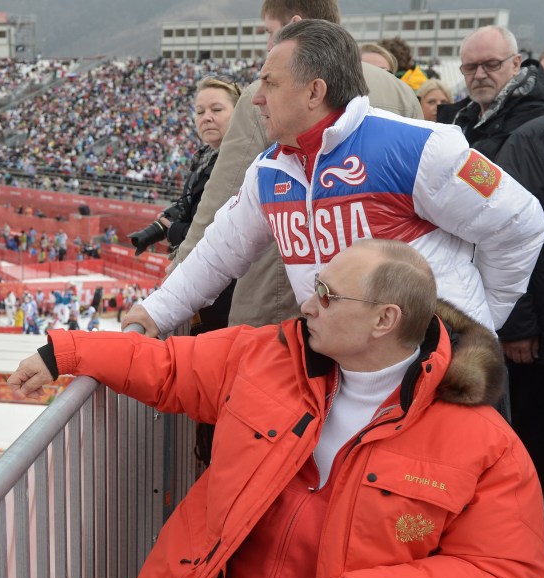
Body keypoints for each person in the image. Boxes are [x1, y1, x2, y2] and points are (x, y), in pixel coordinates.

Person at [8, 240, 544, 578]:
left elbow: (500, 575)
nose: (308, 304)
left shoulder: (484, 442)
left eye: (329, 296)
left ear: (385, 320)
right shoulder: (269, 354)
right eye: (317, 285)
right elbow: (170, 366)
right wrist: (67, 351)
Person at [124, 19, 544, 342]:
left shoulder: (419, 146)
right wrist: (153, 314)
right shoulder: (270, 170)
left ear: (314, 91)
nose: (255, 98)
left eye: (270, 83)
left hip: (440, 374)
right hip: (347, 374)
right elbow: (216, 255)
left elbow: (520, 223)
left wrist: (484, 319)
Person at [169, 0, 424, 332]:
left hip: (283, 293)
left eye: (269, 32)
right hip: (384, 300)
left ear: (295, 24)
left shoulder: (261, 96)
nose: (266, 44)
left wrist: (174, 280)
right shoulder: (401, 91)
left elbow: (222, 197)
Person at [128, 76, 240, 335]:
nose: (206, 117)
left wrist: (172, 231)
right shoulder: (205, 157)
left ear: (239, 114)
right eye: (200, 112)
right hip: (201, 281)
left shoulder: (237, 164)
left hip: (222, 292)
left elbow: (218, 230)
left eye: (217, 109)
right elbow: (189, 205)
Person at [494, 112, 544, 507]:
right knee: (533, 440)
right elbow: (502, 234)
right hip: (542, 334)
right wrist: (517, 325)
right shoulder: (532, 141)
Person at [437, 26, 544, 159]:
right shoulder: (464, 115)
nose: (479, 75)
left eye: (491, 64)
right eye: (470, 67)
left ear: (515, 64)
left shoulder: (539, 114)